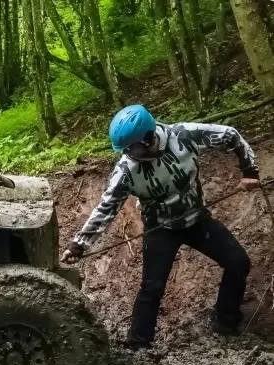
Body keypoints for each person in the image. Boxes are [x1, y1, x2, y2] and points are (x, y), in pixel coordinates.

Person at [61, 105, 261, 349]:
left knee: (238, 262)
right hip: (160, 229)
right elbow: (106, 208)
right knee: (152, 287)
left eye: (132, 147)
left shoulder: (184, 136)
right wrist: (78, 245)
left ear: (148, 137)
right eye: (125, 149)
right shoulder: (126, 171)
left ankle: (226, 321)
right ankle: (138, 344)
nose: (127, 153)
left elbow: (230, 134)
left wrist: (249, 171)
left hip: (197, 219)